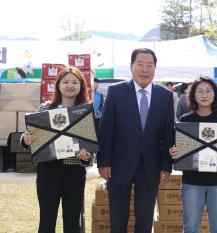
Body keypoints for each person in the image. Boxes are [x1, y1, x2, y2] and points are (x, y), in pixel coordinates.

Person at [97, 48, 174, 233]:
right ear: (131, 66)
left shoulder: (165, 96)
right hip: (117, 164)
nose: (144, 69)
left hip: (151, 166)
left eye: (150, 65)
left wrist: (166, 165)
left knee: (145, 218)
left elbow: (168, 133)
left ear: (155, 68)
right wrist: (103, 162)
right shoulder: (116, 92)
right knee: (118, 218)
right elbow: (105, 129)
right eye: (140, 64)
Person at [169, 76, 217, 233]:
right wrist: (173, 152)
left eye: (208, 91)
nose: (204, 95)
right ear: (193, 95)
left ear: (215, 94)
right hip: (192, 182)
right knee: (191, 228)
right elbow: (176, 149)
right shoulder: (186, 120)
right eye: (200, 91)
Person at [21, 66, 93, 233]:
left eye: (75, 82)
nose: (70, 85)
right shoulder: (45, 108)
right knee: (46, 222)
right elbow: (28, 137)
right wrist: (25, 139)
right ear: (58, 85)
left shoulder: (84, 113)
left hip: (74, 173)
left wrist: (86, 157)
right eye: (65, 81)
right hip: (48, 171)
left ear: (81, 86)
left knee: (73, 223)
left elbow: (90, 148)